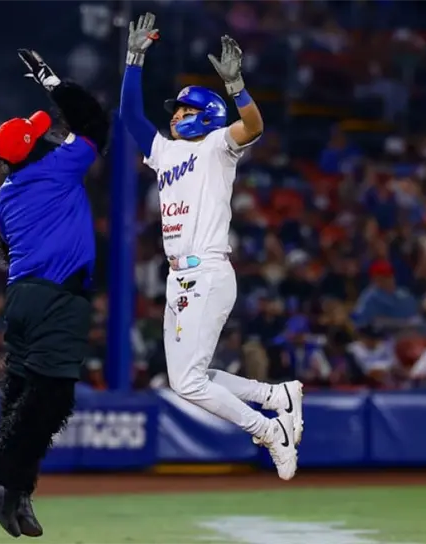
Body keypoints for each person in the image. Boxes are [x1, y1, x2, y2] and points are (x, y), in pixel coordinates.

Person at [119, 12, 303, 480]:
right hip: (180, 275)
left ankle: (269, 429)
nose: (175, 115)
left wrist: (236, 86)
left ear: (205, 115)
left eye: (183, 110)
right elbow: (130, 117)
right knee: (188, 379)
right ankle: (274, 396)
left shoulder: (218, 145)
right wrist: (134, 60)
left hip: (208, 270)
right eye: (175, 110)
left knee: (187, 381)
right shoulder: (165, 151)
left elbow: (253, 126)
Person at [0, 49, 109, 538]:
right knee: (52, 397)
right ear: (36, 148)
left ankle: (17, 491)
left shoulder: (6, 192)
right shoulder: (60, 166)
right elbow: (94, 122)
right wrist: (54, 83)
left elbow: (6, 248)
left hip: (21, 298)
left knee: (19, 396)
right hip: (58, 298)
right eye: (41, 133)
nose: (49, 132)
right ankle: (4, 478)